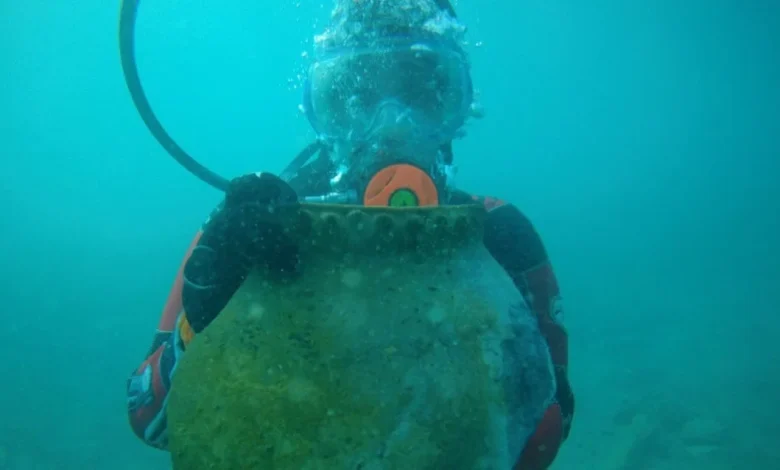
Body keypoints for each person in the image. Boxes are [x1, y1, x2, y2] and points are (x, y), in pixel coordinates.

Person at [125, 1, 575, 468]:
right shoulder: (250, 231)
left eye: (422, 94)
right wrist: (197, 323)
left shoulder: (502, 237)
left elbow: (551, 421)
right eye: (355, 102)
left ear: (456, 107)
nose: (391, 128)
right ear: (322, 113)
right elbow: (150, 418)